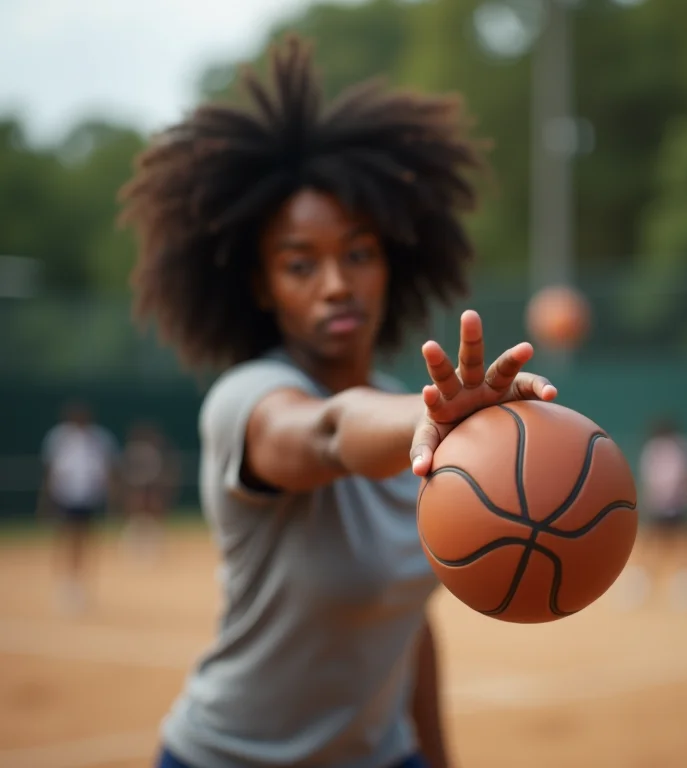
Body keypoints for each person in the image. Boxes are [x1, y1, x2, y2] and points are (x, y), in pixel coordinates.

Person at [119, 35, 558, 768]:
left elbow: (407, 628)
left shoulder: (418, 418)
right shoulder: (247, 401)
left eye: (358, 252)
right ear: (260, 286)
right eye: (300, 263)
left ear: (393, 262)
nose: (336, 283)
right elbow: (327, 432)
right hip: (227, 757)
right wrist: (427, 420)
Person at [38, 401, 119, 614]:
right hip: (66, 496)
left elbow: (107, 471)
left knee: (84, 540)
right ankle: (66, 583)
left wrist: (111, 497)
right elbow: (50, 472)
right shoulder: (58, 438)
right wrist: (47, 500)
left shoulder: (100, 439)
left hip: (88, 498)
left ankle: (80, 583)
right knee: (65, 539)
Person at [625, 415, 687, 610]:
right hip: (661, 506)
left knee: (683, 545)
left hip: (676, 505)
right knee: (653, 543)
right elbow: (651, 481)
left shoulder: (680, 448)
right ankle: (639, 585)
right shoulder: (655, 450)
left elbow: (686, 477)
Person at [119, 421, 179, 562]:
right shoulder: (134, 451)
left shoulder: (152, 451)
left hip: (150, 489)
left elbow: (158, 473)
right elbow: (127, 473)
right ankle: (135, 546)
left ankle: (153, 546)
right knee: (136, 517)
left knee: (154, 516)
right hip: (138, 488)